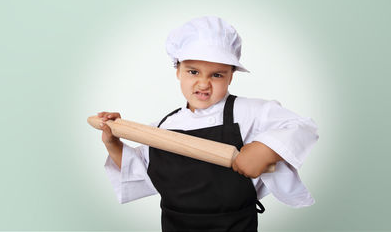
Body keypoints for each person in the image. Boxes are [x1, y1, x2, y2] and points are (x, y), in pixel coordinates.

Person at [98, 16, 319, 232]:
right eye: (193, 71)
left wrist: (266, 150)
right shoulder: (162, 128)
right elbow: (138, 170)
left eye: (217, 75)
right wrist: (112, 141)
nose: (203, 83)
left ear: (231, 77)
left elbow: (301, 127)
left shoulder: (249, 112)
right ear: (178, 71)